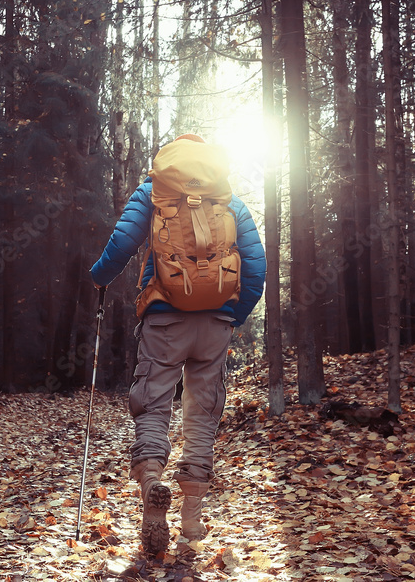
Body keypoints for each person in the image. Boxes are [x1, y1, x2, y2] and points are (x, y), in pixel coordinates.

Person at [90, 134, 266, 554]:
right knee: (202, 413)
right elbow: (257, 270)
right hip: (215, 324)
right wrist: (230, 317)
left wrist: (99, 277)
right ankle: (191, 521)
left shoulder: (154, 193)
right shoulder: (229, 200)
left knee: (153, 404)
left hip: (164, 318)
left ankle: (152, 482)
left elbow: (120, 245)